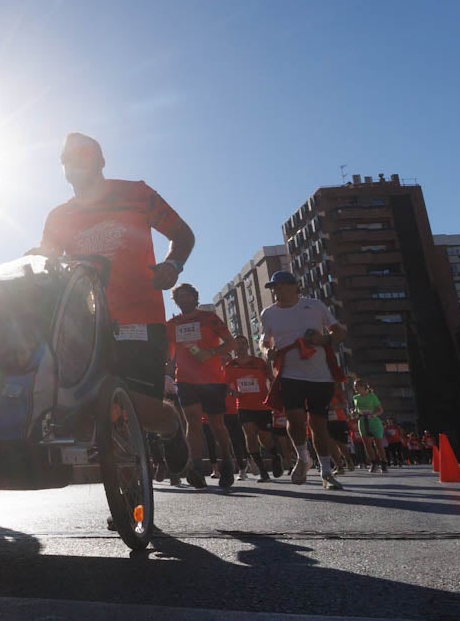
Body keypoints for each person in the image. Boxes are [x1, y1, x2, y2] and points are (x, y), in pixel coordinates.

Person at [36, 132, 200, 489]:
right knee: (97, 406)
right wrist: (32, 260)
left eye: (82, 155)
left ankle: (171, 426)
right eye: (67, 158)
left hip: (140, 317)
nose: (74, 163)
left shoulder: (137, 194)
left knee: (141, 408)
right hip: (87, 325)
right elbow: (46, 261)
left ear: (100, 161)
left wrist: (173, 266)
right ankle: (130, 495)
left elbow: (183, 234)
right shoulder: (59, 216)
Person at [258, 270, 347, 490]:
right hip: (289, 374)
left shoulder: (315, 306)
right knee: (295, 418)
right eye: (273, 287)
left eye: (281, 286)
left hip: (320, 375)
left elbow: (339, 331)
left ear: (295, 286)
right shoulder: (268, 313)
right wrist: (266, 350)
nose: (277, 290)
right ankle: (302, 457)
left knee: (318, 423)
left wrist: (323, 338)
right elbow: (263, 339)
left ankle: (326, 472)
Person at [166, 284, 236, 488]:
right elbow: (168, 356)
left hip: (212, 379)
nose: (183, 299)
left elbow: (231, 343)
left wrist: (211, 353)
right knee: (193, 422)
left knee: (216, 424)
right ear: (176, 301)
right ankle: (196, 468)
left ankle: (227, 462)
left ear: (195, 298)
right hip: (185, 379)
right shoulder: (171, 324)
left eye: (187, 295)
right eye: (179, 296)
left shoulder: (209, 318)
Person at [223, 335, 290, 484]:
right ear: (234, 347)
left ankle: (275, 456)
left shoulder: (259, 362)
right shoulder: (230, 366)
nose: (240, 346)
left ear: (247, 345)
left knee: (265, 438)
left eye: (243, 343)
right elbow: (228, 386)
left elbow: (271, 378)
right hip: (244, 406)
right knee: (250, 435)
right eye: (237, 344)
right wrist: (233, 392)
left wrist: (277, 395)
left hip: (262, 405)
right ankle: (262, 471)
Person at [352, 379, 388, 473]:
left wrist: (373, 414)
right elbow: (357, 410)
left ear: (363, 386)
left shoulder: (372, 396)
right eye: (354, 386)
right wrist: (354, 413)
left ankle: (384, 463)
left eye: (356, 386)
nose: (355, 387)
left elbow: (380, 410)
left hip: (374, 422)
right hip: (362, 422)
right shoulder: (355, 398)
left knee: (378, 445)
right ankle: (374, 464)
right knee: (367, 445)